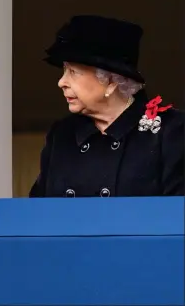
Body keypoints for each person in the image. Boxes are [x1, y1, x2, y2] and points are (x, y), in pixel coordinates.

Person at [29, 15, 184, 198]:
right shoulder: (62, 135)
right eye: (64, 71)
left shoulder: (171, 131)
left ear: (110, 82)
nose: (62, 82)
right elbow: (39, 213)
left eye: (73, 72)